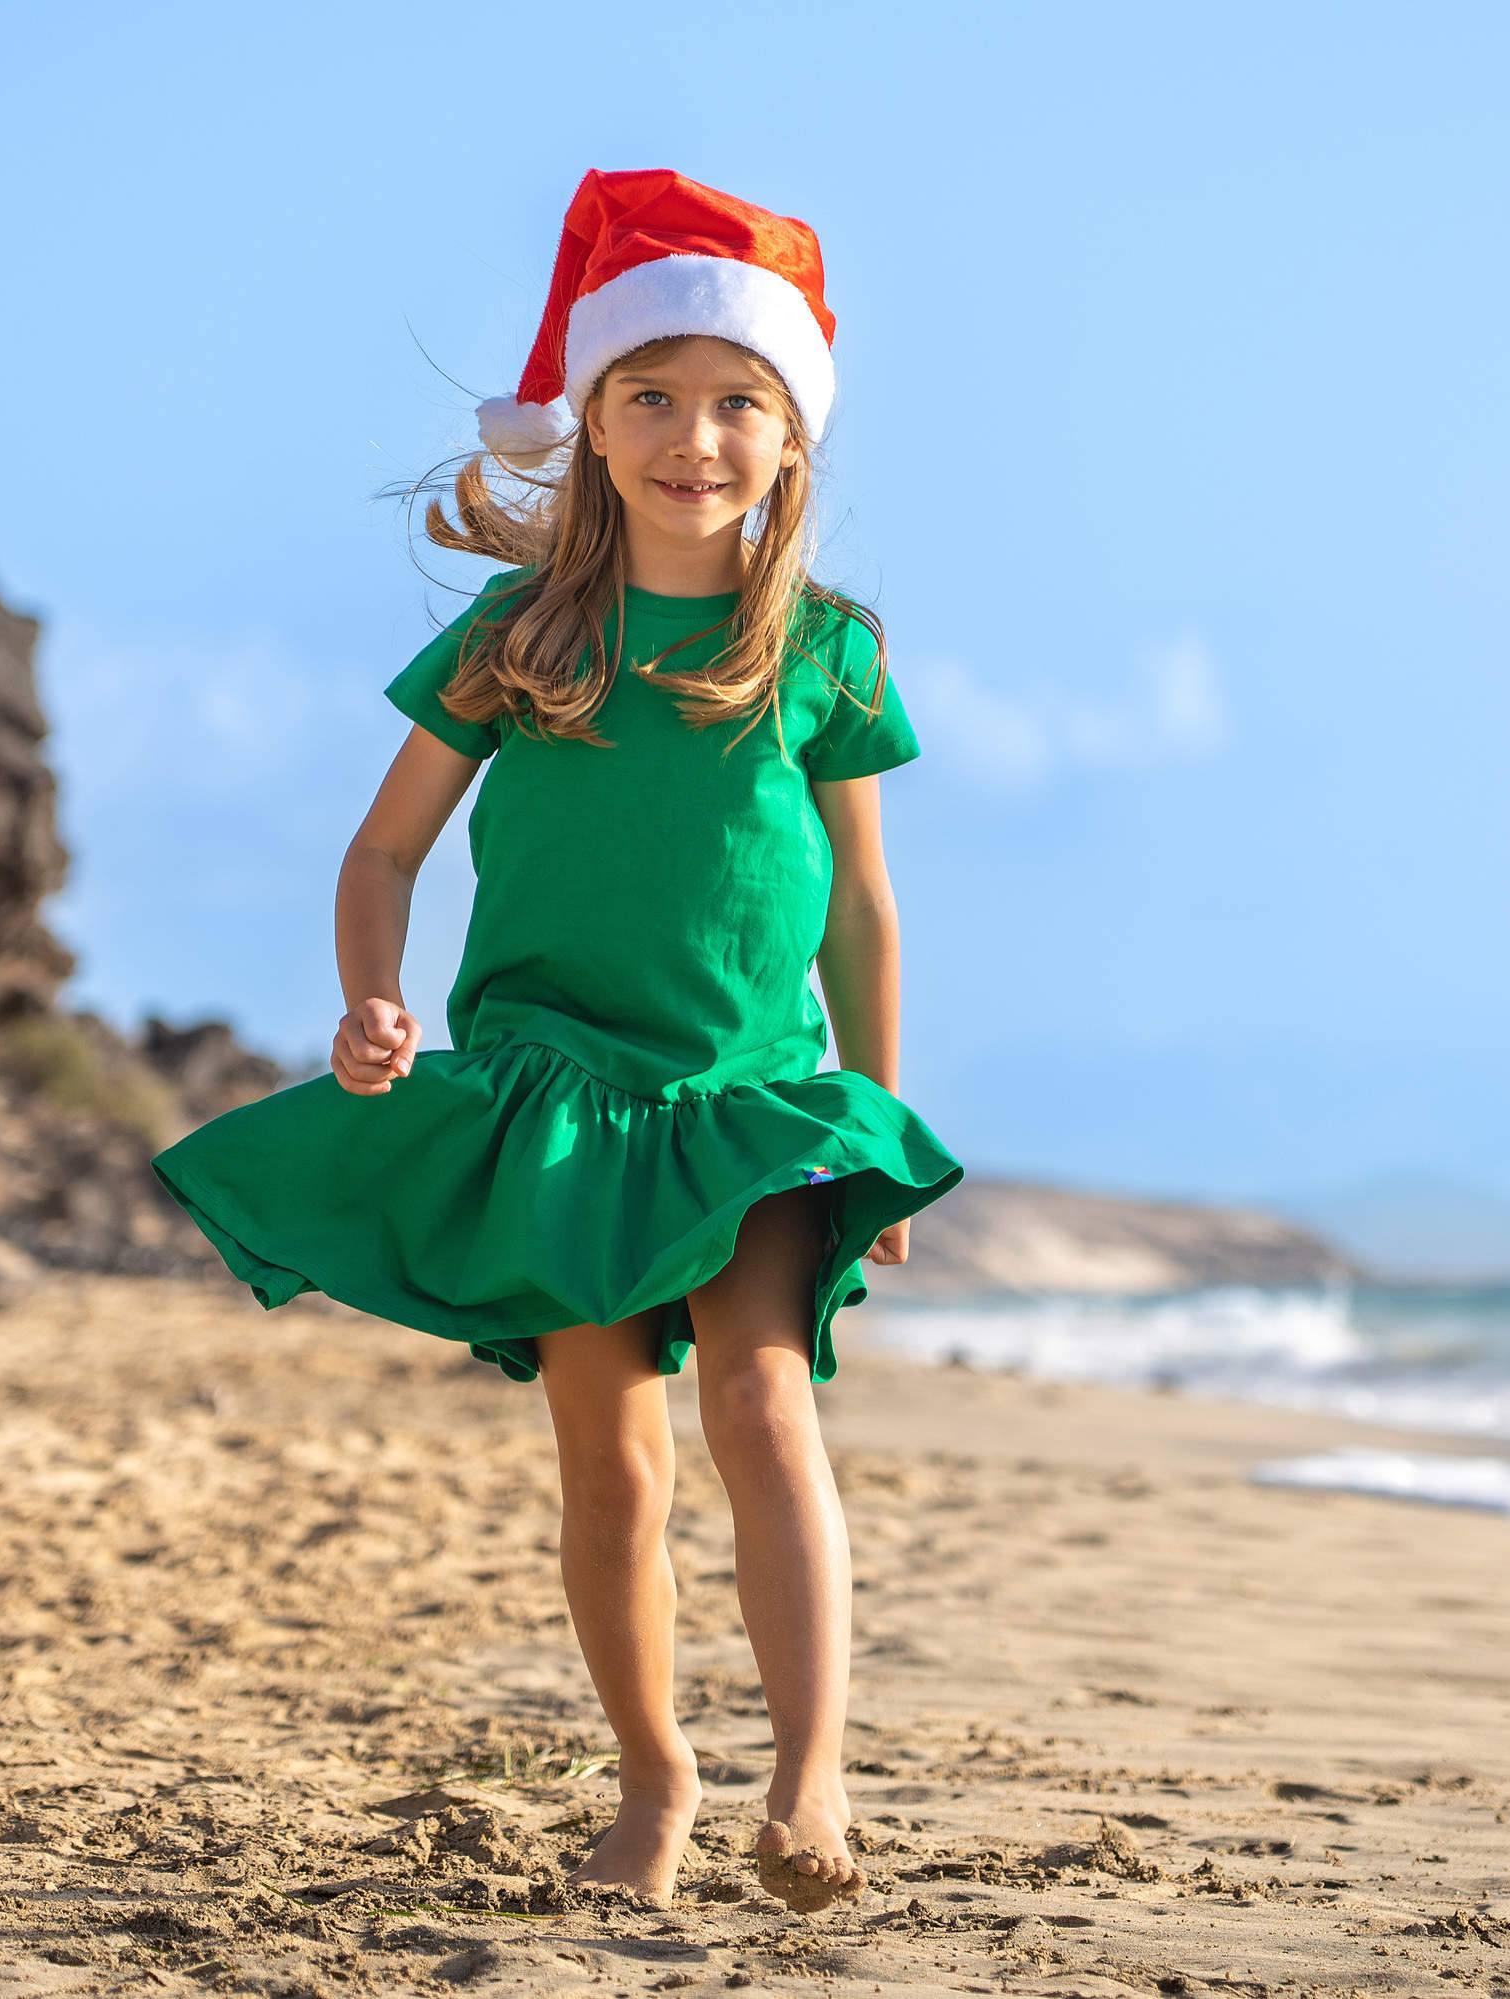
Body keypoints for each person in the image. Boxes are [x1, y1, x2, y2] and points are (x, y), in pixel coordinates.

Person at [151, 166, 965, 1913]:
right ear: (590, 427)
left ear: (793, 436)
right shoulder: (519, 639)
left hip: (750, 1104)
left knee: (760, 1403)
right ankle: (656, 1781)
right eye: (652, 399)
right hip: (561, 1108)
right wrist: (373, 996)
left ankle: (810, 1780)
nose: (695, 435)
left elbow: (860, 915)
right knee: (613, 1458)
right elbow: (383, 851)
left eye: (740, 400)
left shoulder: (820, 655)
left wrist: (882, 1129)